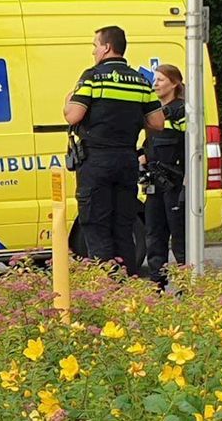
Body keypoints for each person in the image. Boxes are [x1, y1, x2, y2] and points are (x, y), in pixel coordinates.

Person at [63, 26, 164, 276]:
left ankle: (105, 286)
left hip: (96, 161)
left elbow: (74, 115)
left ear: (106, 47)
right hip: (126, 160)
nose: (94, 51)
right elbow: (157, 124)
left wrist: (67, 102)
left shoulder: (92, 77)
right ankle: (124, 283)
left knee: (96, 224)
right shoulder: (141, 81)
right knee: (122, 225)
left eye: (95, 45)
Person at [140, 64, 187, 289]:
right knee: (154, 235)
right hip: (155, 181)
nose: (155, 83)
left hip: (175, 182)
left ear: (174, 83)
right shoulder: (155, 111)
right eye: (155, 79)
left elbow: (189, 141)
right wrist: (141, 157)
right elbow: (148, 144)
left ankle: (188, 285)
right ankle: (157, 285)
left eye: (160, 80)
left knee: (179, 236)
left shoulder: (181, 110)